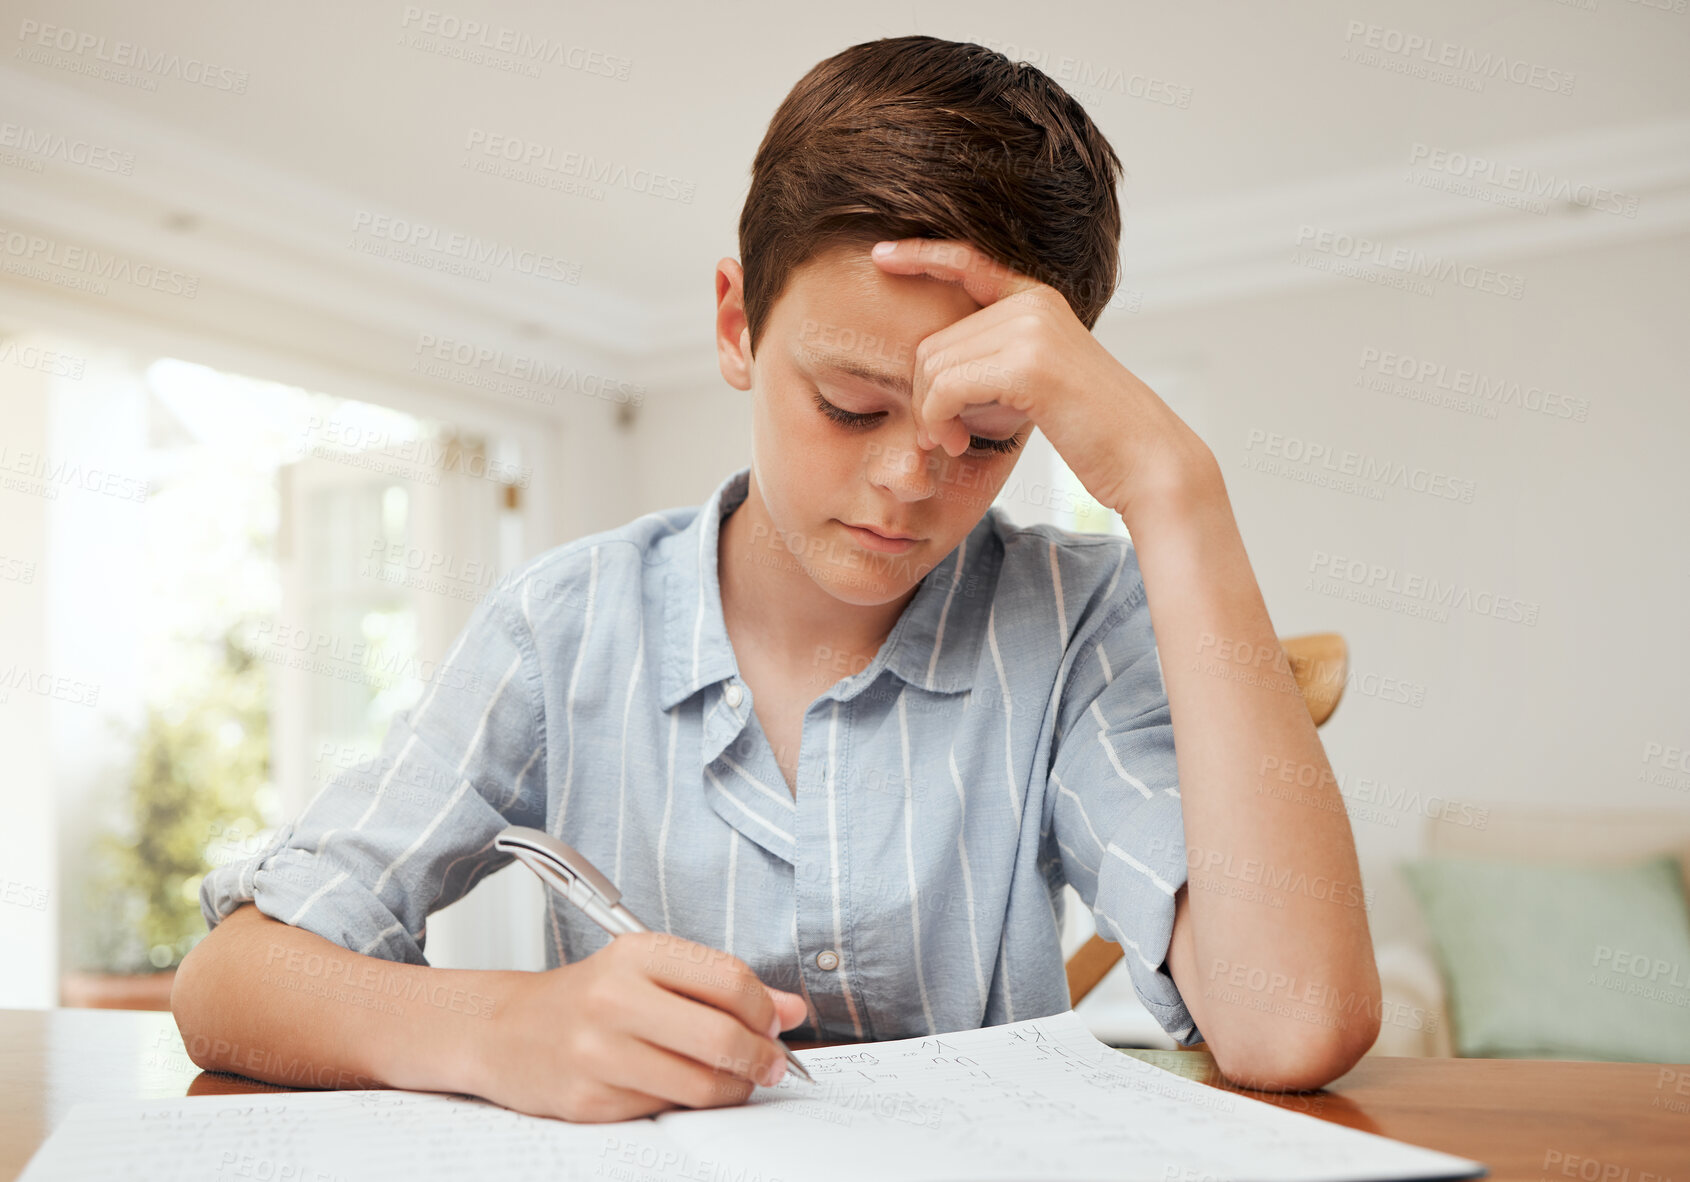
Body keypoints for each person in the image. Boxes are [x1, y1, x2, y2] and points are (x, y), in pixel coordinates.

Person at [172, 34, 1379, 1123]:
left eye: (992, 433)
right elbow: (230, 986)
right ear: (737, 325)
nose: (911, 479)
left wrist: (1176, 488)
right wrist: (503, 1026)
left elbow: (1291, 1023)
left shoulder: (1075, 620)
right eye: (852, 405)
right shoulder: (565, 628)